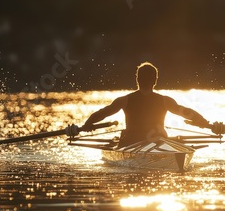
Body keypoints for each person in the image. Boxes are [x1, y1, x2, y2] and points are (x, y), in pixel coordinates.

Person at [82, 62, 214, 147]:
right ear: (155, 81)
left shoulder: (124, 100)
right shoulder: (165, 101)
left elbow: (102, 113)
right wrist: (203, 122)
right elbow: (187, 112)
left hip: (131, 142)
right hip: (159, 142)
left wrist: (88, 124)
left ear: (137, 79)